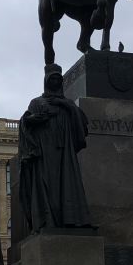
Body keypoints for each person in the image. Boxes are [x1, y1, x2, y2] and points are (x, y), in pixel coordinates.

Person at [18, 66, 91, 232]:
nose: (56, 82)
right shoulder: (36, 103)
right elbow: (25, 123)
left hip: (64, 152)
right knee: (46, 185)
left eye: (58, 79)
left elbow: (81, 125)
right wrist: (34, 119)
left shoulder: (67, 104)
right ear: (46, 82)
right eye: (52, 79)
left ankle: (70, 219)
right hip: (45, 151)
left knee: (67, 185)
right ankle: (47, 220)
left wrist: (66, 105)